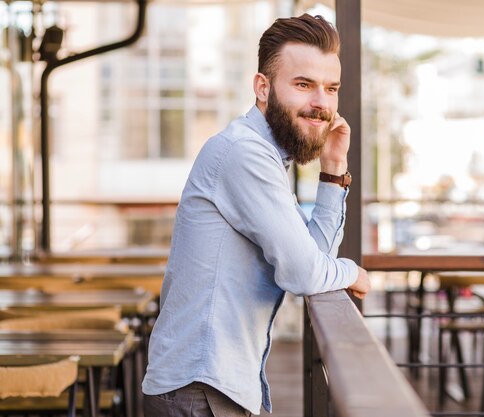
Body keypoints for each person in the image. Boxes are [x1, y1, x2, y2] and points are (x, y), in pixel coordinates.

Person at [142, 13, 370, 416]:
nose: (321, 103)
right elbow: (304, 272)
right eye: (303, 85)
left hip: (216, 385)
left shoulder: (264, 156)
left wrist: (333, 171)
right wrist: (353, 272)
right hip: (201, 390)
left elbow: (313, 258)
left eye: (330, 88)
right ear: (262, 87)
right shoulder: (243, 154)